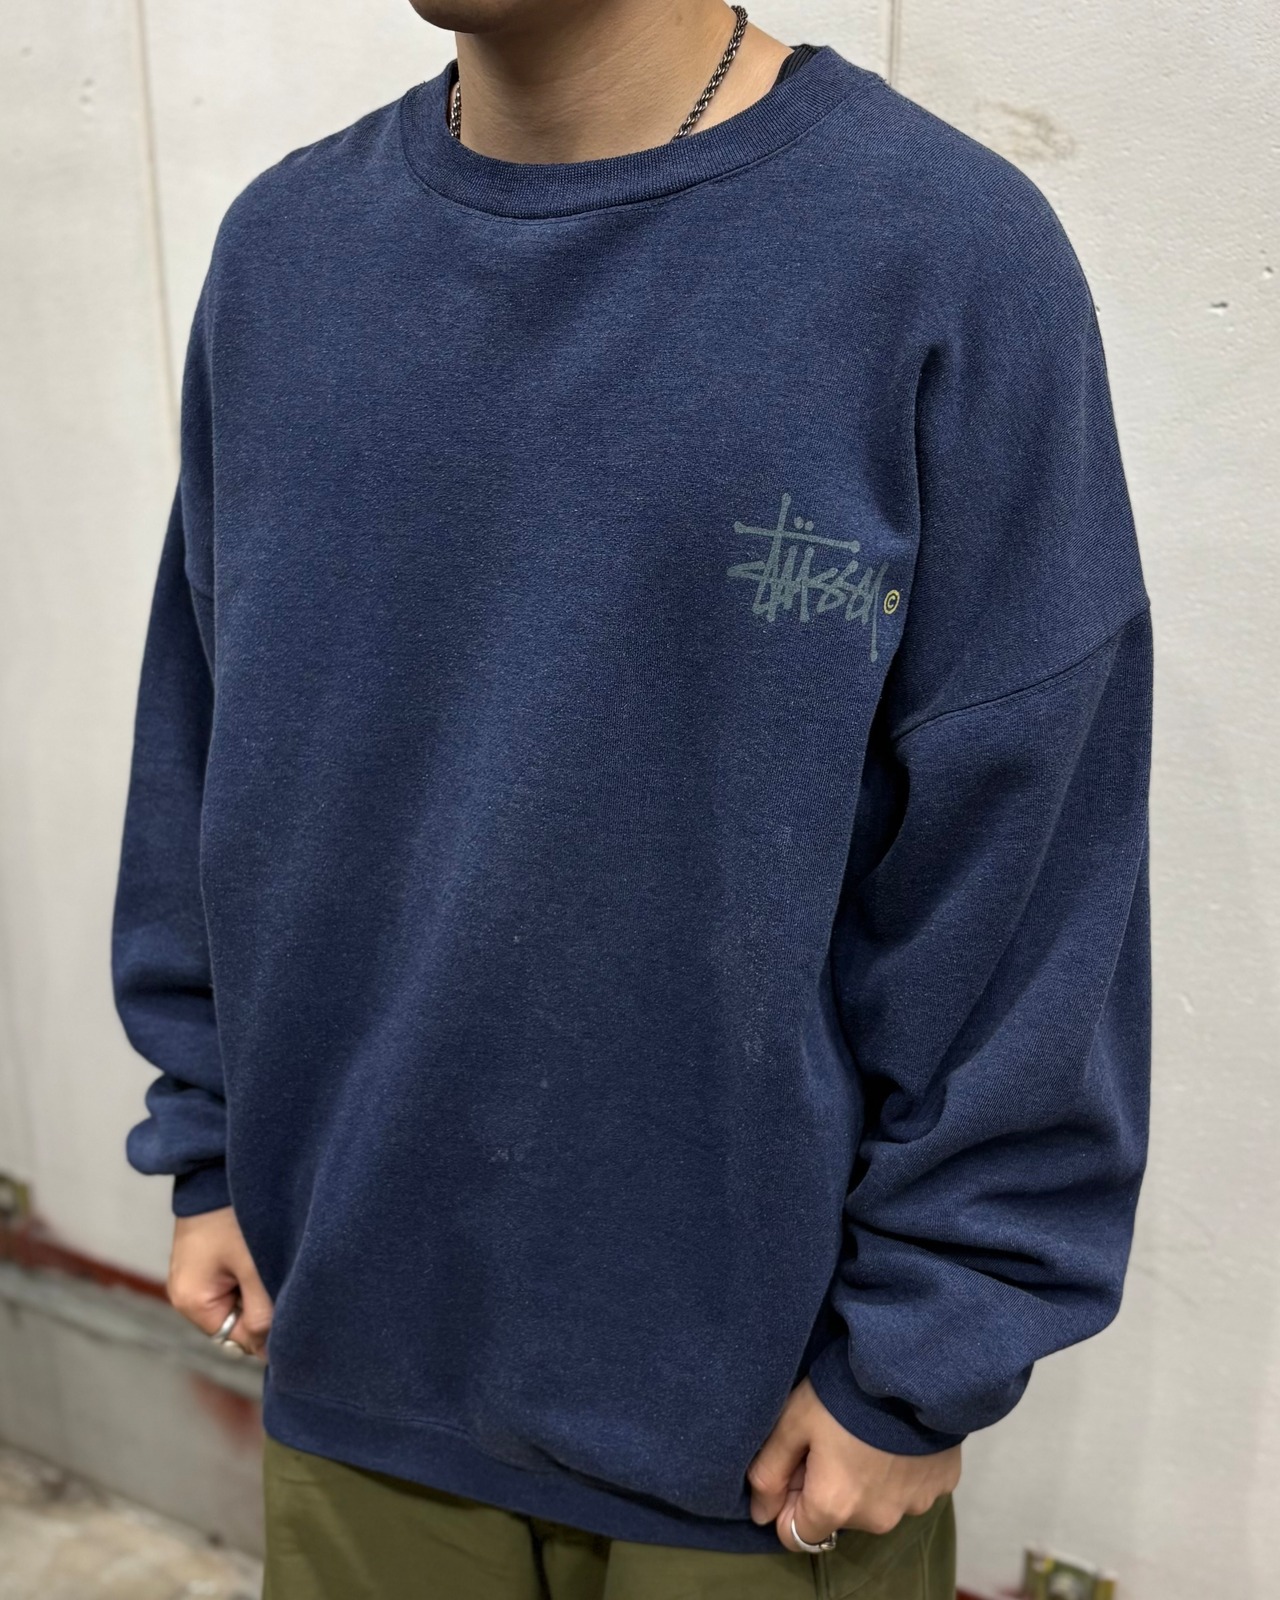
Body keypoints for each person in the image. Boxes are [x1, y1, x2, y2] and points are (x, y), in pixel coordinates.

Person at [110, 1, 1153, 1595]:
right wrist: (211, 1141)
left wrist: (932, 1342)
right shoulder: (287, 254)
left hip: (763, 1434)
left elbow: (1032, 856)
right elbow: (207, 739)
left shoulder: (937, 256)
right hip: (353, 1354)